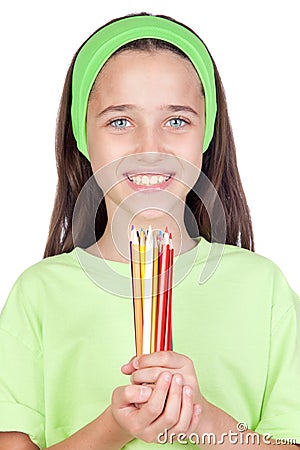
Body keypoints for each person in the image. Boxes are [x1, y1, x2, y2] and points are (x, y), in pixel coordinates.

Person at [0, 12, 299, 450]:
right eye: (120, 121)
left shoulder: (263, 287)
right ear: (83, 136)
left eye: (176, 120)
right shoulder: (39, 293)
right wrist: (115, 426)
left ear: (206, 133)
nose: (150, 148)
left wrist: (202, 421)